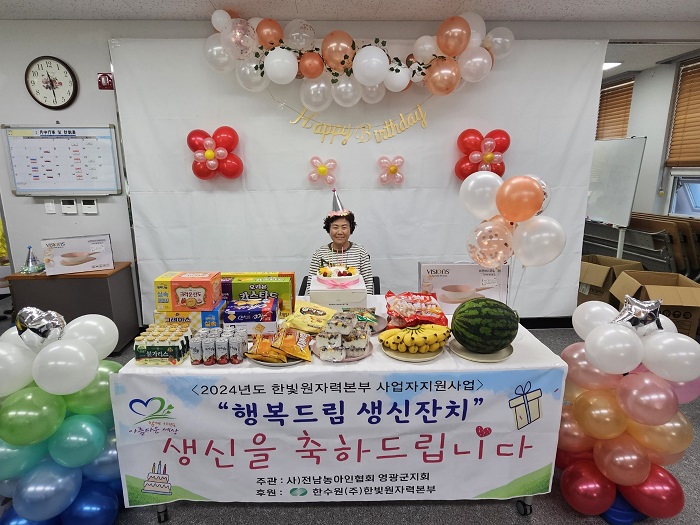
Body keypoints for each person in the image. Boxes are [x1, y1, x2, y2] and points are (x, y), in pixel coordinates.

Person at [306, 191, 373, 295]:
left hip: (354, 301)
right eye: (335, 227)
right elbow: (311, 286)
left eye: (344, 227)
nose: (340, 232)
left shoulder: (360, 252)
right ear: (328, 229)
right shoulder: (319, 254)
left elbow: (368, 285)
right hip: (325, 300)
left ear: (351, 229)